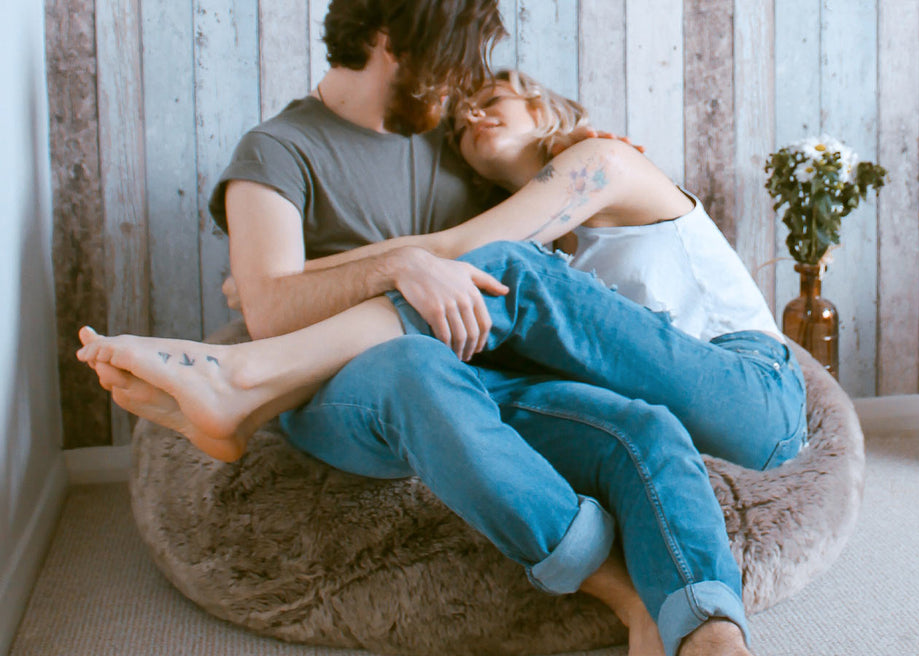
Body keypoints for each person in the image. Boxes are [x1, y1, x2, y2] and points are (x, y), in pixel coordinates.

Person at [76, 3, 797, 655]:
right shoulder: (276, 152)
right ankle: (618, 587)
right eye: (459, 60)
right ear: (393, 37)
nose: (467, 88)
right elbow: (266, 309)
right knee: (416, 367)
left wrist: (419, 252)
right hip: (369, 383)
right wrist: (398, 267)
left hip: (503, 368)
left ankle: (709, 635)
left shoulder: (466, 145)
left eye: (486, 87)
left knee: (642, 427)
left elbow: (509, 251)